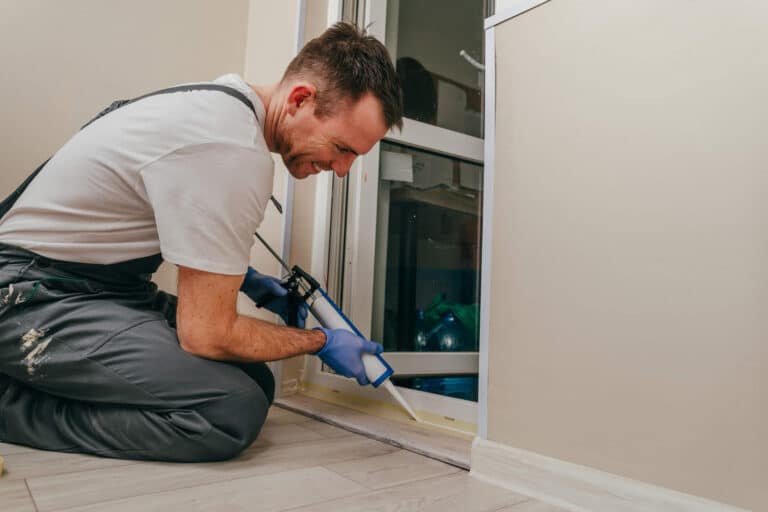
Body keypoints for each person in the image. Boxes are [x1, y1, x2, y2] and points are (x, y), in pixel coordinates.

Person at [0, 23, 403, 462]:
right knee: (229, 409)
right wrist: (320, 340)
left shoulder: (221, 105)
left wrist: (246, 279)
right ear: (300, 99)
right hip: (30, 293)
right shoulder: (229, 145)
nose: (343, 169)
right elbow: (207, 334)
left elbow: (167, 218)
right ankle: (12, 405)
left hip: (95, 287)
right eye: (342, 148)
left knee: (255, 379)